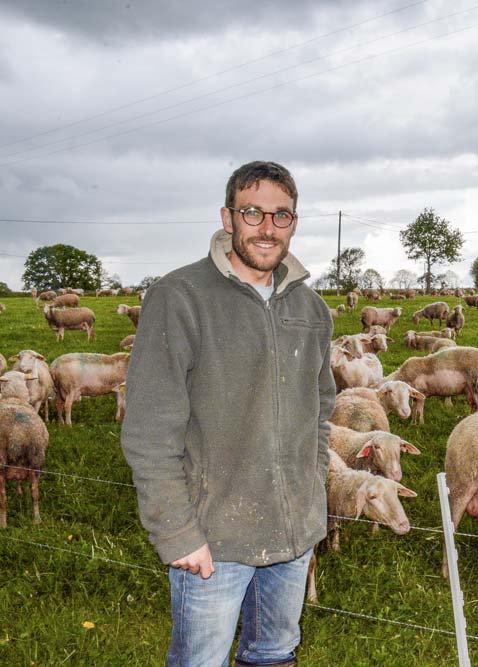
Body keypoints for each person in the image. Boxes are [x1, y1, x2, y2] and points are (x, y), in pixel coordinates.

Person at [122, 161, 336, 667]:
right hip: (213, 540)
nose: (267, 227)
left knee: (273, 654)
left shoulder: (311, 308)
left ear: (294, 222)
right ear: (228, 217)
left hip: (292, 533)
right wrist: (177, 530)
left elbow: (321, 407)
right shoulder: (180, 297)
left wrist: (313, 484)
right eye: (253, 212)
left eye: (281, 215)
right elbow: (150, 427)